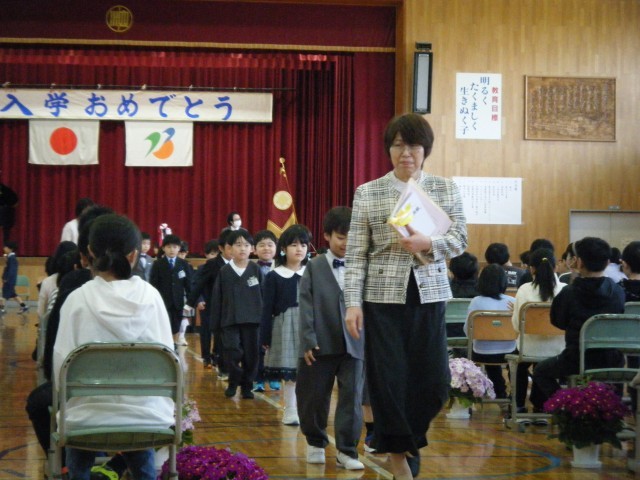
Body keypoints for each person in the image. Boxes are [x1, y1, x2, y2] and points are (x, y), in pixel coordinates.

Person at [344, 113, 467, 480]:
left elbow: (460, 240)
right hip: (381, 299)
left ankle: (408, 441)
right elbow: (356, 255)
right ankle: (399, 458)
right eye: (398, 145)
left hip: (429, 295)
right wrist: (352, 303)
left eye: (413, 145)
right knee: (388, 381)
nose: (406, 153)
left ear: (425, 149)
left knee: (434, 384)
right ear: (388, 149)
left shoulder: (445, 188)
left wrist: (428, 242)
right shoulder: (368, 192)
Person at [53, 213, 174, 480]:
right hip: (147, 420)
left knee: (80, 417)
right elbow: (169, 358)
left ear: (89, 253)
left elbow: (61, 369)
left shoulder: (77, 300)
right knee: (139, 421)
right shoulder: (152, 297)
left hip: (86, 421)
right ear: (133, 255)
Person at [297, 207, 365, 470]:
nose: (346, 243)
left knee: (352, 398)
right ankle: (315, 442)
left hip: (355, 344)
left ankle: (347, 451)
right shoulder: (314, 267)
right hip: (320, 343)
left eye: (352, 237)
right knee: (314, 396)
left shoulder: (363, 265)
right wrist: (307, 339)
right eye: (341, 237)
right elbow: (305, 305)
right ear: (326, 236)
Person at [530, 237, 625, 411]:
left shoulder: (569, 292)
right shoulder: (618, 291)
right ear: (607, 263)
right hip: (611, 358)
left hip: (575, 358)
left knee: (541, 371)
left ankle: (569, 406)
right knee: (615, 369)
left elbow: (558, 321)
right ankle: (611, 411)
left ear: (579, 262)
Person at [261, 224, 312, 426]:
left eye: (303, 245)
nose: (299, 249)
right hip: (284, 326)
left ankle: (305, 409)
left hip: (309, 324)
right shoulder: (274, 276)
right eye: (294, 245)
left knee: (308, 371)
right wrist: (265, 336)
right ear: (283, 249)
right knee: (290, 371)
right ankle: (290, 409)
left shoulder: (312, 272)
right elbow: (267, 308)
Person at [509, 248, 566, 417]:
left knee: (518, 365)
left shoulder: (524, 290)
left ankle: (518, 406)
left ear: (531, 268)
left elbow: (516, 326)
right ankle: (541, 406)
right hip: (558, 351)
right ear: (555, 267)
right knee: (543, 365)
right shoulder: (565, 289)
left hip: (528, 348)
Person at [210, 230, 264, 399]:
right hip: (230, 320)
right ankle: (234, 380)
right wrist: (215, 325)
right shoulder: (224, 271)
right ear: (230, 248)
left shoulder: (256, 269)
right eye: (238, 245)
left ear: (252, 249)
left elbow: (264, 296)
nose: (242, 248)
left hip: (252, 321)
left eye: (246, 245)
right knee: (232, 352)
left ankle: (247, 386)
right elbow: (217, 299)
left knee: (251, 355)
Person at [464, 264, 515, 400]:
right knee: (515, 362)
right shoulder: (512, 302)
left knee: (490, 357)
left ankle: (499, 392)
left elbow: (468, 331)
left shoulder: (476, 302)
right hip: (509, 351)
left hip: (481, 353)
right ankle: (514, 395)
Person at [149, 234, 193, 346]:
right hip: (163, 302)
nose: (172, 250)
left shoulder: (184, 264)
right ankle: (166, 346)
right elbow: (153, 285)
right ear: (163, 248)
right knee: (164, 325)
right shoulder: (158, 264)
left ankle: (174, 345)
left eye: (174, 247)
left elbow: (188, 285)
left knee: (176, 326)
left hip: (178, 302)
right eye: (169, 247)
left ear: (179, 248)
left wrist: (191, 302)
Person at [186, 238, 221, 370]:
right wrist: (199, 300)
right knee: (205, 331)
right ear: (206, 255)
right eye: (211, 254)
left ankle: (216, 354)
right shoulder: (202, 268)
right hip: (206, 303)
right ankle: (206, 356)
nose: (214, 256)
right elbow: (196, 285)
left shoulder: (223, 268)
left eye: (216, 254)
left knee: (219, 332)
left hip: (220, 304)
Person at [252, 230, 279, 392]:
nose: (266, 248)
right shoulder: (250, 268)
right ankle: (258, 379)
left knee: (276, 348)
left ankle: (274, 378)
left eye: (270, 245)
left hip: (277, 315)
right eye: (262, 245)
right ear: (254, 249)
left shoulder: (282, 268)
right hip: (258, 315)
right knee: (259, 349)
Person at [1, 240, 29, 313]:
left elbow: (12, 271)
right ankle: (23, 306)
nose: (4, 249)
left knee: (4, 294)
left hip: (9, 280)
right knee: (13, 294)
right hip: (10, 280)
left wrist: (6, 278)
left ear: (10, 249)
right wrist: (6, 260)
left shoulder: (12, 258)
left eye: (5, 247)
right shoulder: (10, 257)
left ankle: (2, 309)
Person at [176, 241, 195, 346]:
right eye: (179, 253)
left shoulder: (188, 265)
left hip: (184, 295)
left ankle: (182, 336)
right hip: (174, 294)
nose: (181, 256)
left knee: (184, 316)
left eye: (183, 254)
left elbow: (190, 282)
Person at [0, 176, 19, 244]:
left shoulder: (4, 190)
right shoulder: (4, 189)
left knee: (6, 234)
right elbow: (15, 202)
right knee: (6, 234)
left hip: (5, 214)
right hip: (5, 214)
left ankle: (6, 246)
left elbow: (15, 202)